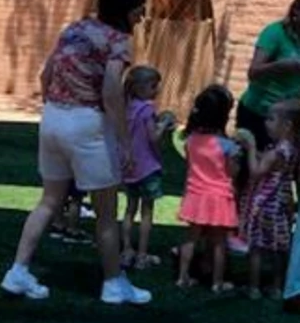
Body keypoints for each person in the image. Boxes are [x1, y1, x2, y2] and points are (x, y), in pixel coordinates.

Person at [0, 0, 150, 305]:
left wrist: (56, 106)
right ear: (123, 11)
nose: (141, 17)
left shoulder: (74, 29)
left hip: (53, 118)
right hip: (87, 125)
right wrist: (125, 141)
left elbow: (46, 75)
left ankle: (18, 271)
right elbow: (111, 91)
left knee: (49, 201)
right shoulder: (119, 41)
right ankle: (113, 284)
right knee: (106, 212)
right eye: (138, 11)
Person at [177, 85, 240, 293]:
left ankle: (183, 277)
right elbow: (232, 172)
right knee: (219, 242)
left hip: (195, 195)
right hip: (220, 198)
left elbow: (190, 166)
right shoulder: (227, 146)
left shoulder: (190, 141)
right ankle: (217, 282)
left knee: (190, 238)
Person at [237, 99, 300, 299]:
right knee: (279, 247)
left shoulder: (275, 152)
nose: (266, 123)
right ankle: (276, 287)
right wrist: (259, 153)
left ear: (287, 125)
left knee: (256, 247)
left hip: (265, 204)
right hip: (281, 203)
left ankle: (253, 288)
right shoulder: (292, 149)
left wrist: (250, 148)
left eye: (271, 119)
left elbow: (256, 172)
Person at [121, 66, 176, 270]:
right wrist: (164, 124)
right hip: (147, 168)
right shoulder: (147, 109)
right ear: (141, 88)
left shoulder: (126, 108)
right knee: (146, 211)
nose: (157, 90)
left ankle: (127, 250)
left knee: (129, 209)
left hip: (129, 166)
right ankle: (142, 254)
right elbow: (153, 138)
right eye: (154, 86)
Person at [236, 0, 300, 151]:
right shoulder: (275, 33)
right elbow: (253, 72)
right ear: (296, 12)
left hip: (287, 118)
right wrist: (279, 66)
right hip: (258, 112)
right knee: (249, 159)